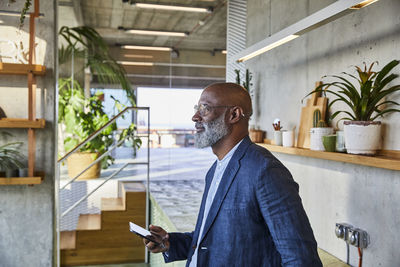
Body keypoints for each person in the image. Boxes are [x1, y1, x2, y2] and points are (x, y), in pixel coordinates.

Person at [143, 82, 322, 266]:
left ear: (234, 115)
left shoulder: (265, 171)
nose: (195, 116)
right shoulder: (215, 170)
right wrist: (170, 243)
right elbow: (214, 240)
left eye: (205, 109)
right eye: (197, 109)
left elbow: (301, 259)